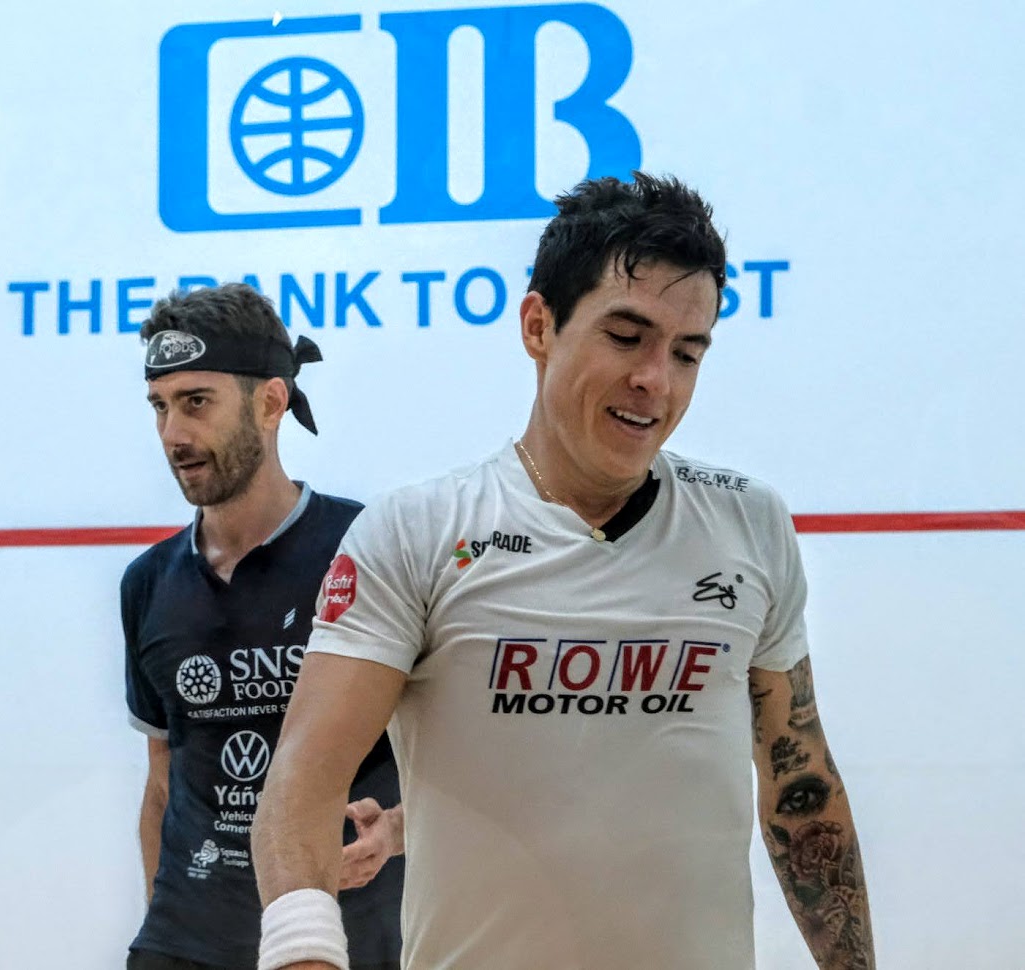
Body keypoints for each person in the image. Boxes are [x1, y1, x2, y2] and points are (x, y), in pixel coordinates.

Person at [251, 174, 875, 970]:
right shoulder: (417, 532)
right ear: (538, 325)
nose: (656, 380)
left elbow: (801, 792)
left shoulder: (748, 524)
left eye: (687, 352)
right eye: (626, 336)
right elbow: (301, 787)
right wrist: (304, 953)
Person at [120, 283, 405, 970]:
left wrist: (397, 831)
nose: (173, 435)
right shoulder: (148, 581)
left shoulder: (370, 549)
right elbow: (162, 782)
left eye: (196, 402)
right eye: (159, 406)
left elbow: (451, 756)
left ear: (271, 403)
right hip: (185, 944)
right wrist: (161, 921)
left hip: (342, 941)